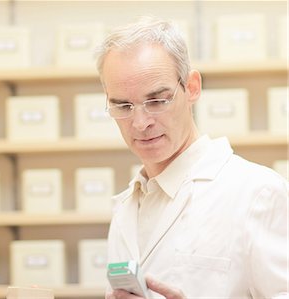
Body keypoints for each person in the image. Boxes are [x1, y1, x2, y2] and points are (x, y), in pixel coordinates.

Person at [95, 16, 288, 299]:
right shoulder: (127, 206)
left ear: (192, 87)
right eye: (123, 105)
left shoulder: (258, 192)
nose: (140, 123)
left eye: (157, 100)